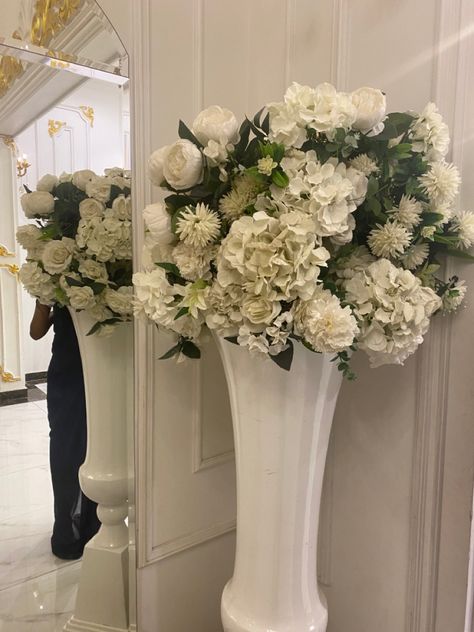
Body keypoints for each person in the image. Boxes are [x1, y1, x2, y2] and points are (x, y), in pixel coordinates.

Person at [30, 301, 100, 559]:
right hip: (67, 374)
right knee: (65, 451)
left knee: (97, 447)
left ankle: (94, 526)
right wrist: (42, 303)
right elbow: (36, 332)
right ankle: (67, 532)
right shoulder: (56, 278)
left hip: (103, 370)